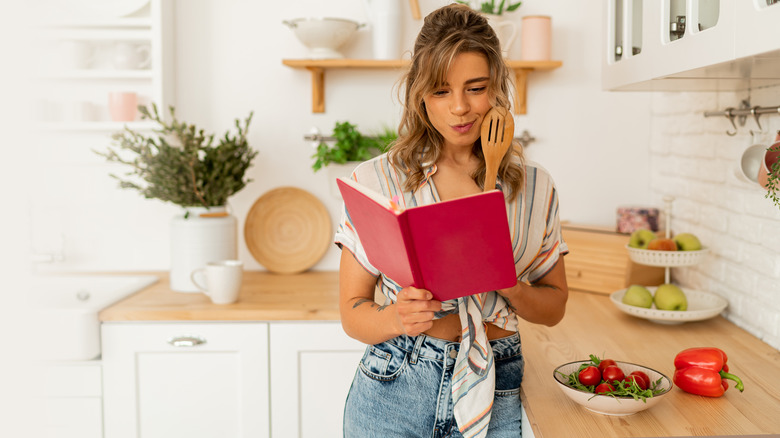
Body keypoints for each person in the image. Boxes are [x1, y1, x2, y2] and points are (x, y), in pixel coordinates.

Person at [334, 4, 568, 437]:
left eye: (475, 88)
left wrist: (508, 281)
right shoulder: (376, 180)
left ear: (498, 88)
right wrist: (396, 319)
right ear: (419, 95)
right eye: (441, 91)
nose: (460, 108)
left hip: (499, 385)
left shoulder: (535, 188)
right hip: (395, 383)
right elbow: (352, 311)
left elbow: (554, 306)